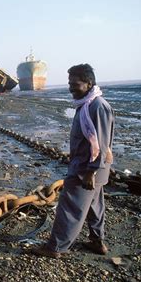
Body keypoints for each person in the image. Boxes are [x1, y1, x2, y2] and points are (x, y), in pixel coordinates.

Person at [30, 63, 114, 258]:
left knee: (70, 208)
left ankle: (55, 248)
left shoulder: (97, 107)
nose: (71, 88)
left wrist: (91, 171)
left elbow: (101, 143)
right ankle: (97, 242)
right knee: (94, 207)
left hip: (87, 171)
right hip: (92, 168)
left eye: (75, 84)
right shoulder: (87, 105)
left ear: (89, 83)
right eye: (69, 83)